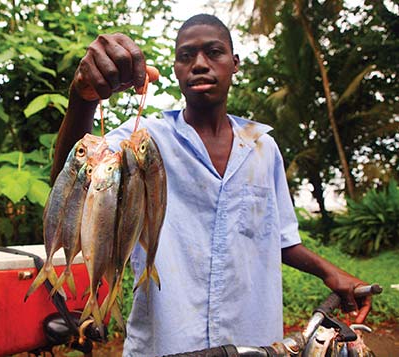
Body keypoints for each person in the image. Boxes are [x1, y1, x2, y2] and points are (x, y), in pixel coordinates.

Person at [52, 14, 371, 357]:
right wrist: (82, 99)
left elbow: (277, 237)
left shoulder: (263, 148)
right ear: (175, 69)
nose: (200, 64)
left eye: (214, 52)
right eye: (187, 56)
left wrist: (330, 273)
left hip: (254, 343)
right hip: (167, 344)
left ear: (234, 64)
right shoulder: (142, 142)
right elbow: (70, 183)